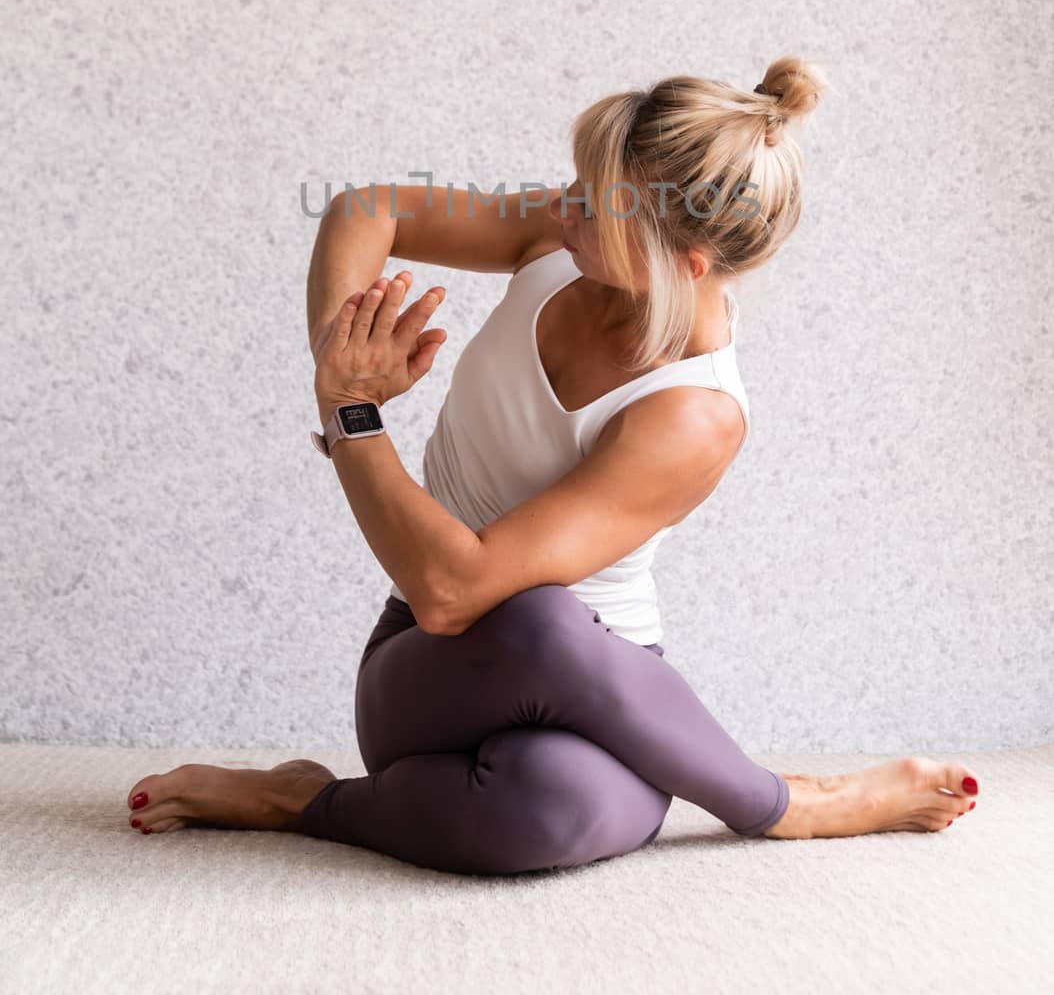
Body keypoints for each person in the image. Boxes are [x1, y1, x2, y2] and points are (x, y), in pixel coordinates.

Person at [124, 57, 980, 870]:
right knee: (538, 620)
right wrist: (341, 364)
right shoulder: (558, 236)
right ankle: (789, 804)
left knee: (548, 805)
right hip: (427, 674)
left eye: (592, 207)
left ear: (680, 266)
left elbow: (464, 580)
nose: (562, 207)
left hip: (608, 700)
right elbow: (367, 208)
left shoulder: (695, 413)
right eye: (577, 185)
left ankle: (305, 801)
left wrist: (350, 415)